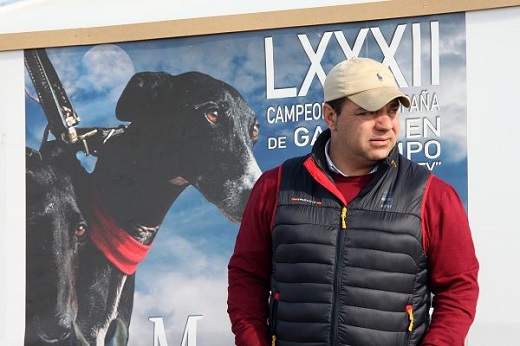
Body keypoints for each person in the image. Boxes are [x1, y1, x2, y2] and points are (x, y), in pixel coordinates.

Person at [227, 57, 479, 346]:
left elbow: (459, 289)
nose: (386, 124)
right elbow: (246, 277)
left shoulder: (432, 195)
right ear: (331, 116)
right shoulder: (275, 186)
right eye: (369, 112)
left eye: (392, 110)